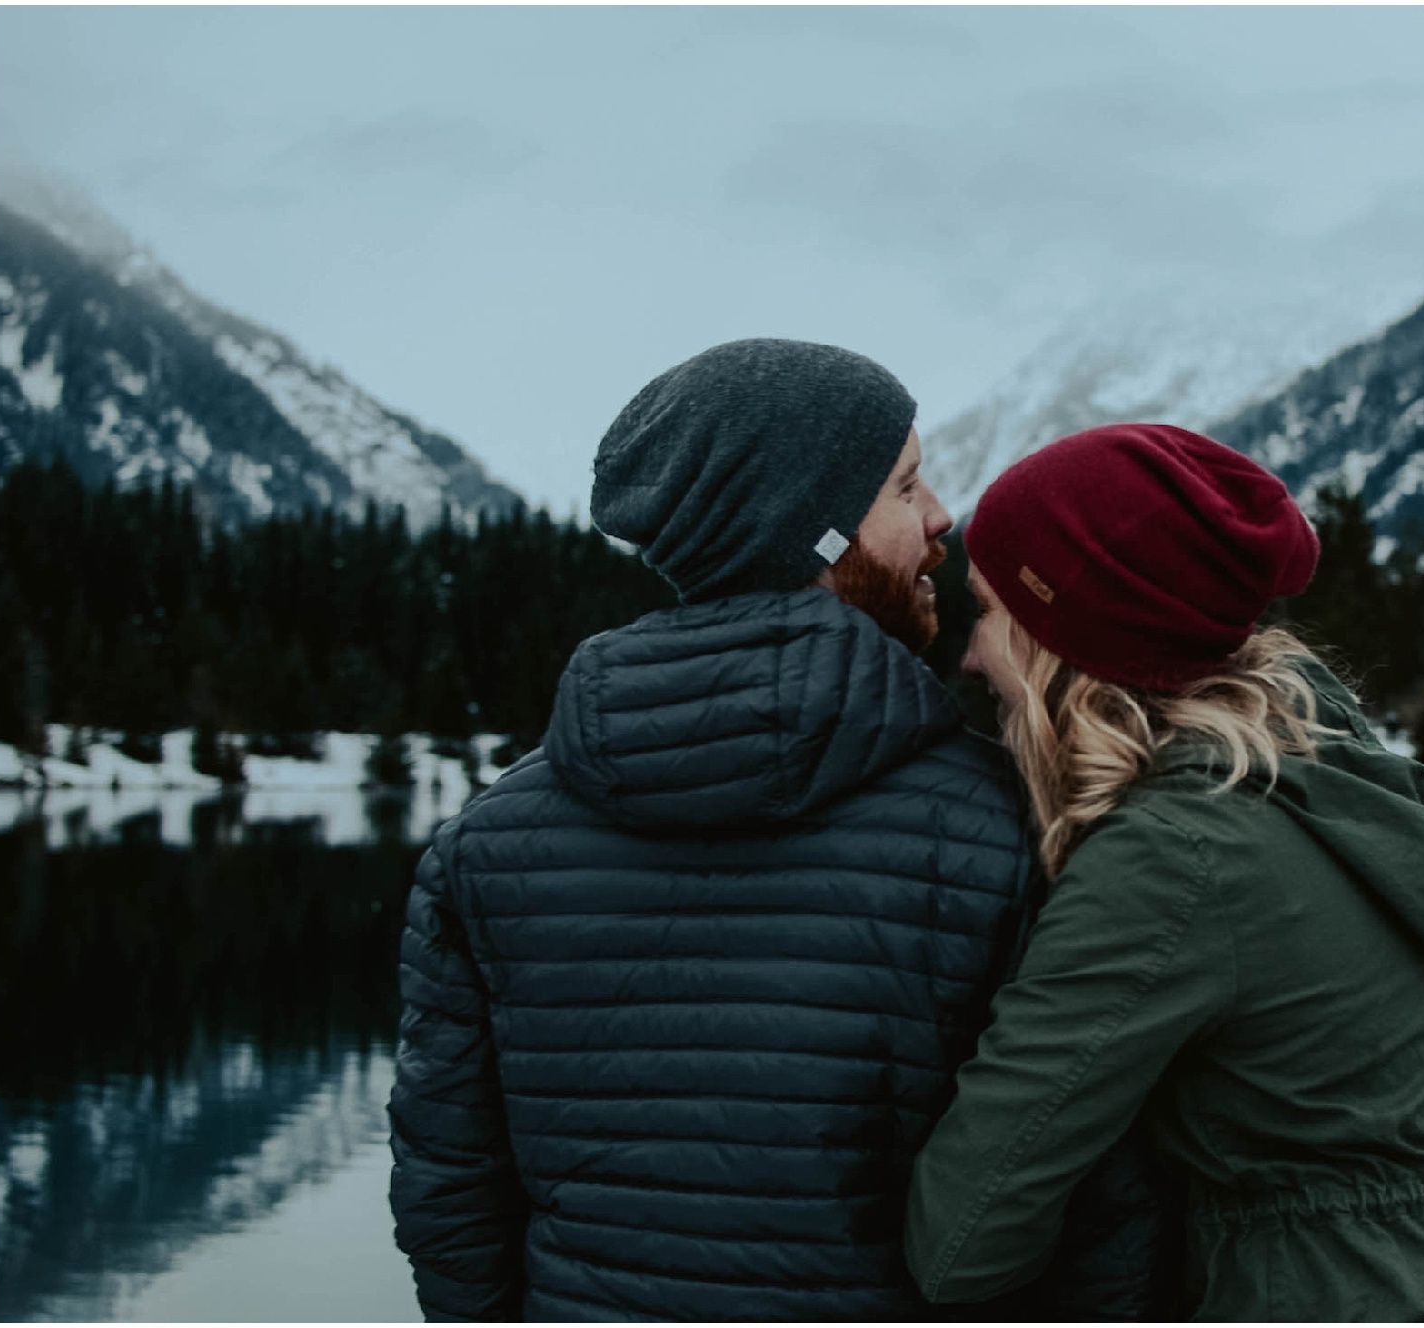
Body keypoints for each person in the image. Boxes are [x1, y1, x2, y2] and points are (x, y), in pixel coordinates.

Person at [387, 340, 1174, 1320]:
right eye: (905, 486)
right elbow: (1096, 1205)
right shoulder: (1005, 827)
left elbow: (450, 1186)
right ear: (819, 535)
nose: (939, 522)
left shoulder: (484, 844)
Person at [903, 422, 1424, 1320]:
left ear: (1066, 640)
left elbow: (958, 1242)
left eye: (991, 613)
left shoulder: (1176, 858)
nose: (969, 653)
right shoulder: (1325, 766)